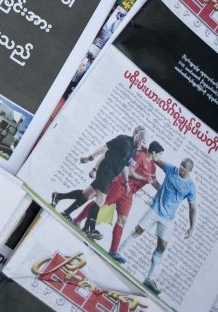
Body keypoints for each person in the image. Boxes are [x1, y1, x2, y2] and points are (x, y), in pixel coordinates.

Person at [114, 157, 197, 295]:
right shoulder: (171, 169)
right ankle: (118, 253)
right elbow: (157, 160)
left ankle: (149, 279)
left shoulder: (191, 187)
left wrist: (192, 227)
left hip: (168, 219)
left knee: (162, 247)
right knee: (139, 230)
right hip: (154, 209)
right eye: (181, 164)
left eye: (184, 166)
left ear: (190, 170)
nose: (181, 167)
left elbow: (192, 208)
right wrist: (149, 155)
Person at [72, 141, 165, 261]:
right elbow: (130, 171)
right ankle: (77, 220)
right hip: (120, 185)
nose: (160, 157)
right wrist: (144, 178)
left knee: (122, 219)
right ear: (153, 152)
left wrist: (165, 191)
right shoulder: (140, 155)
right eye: (160, 154)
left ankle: (113, 251)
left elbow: (154, 182)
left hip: (129, 194)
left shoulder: (152, 167)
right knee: (100, 204)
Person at [52, 126, 147, 234]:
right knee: (101, 200)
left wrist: (126, 182)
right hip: (105, 169)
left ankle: (59, 199)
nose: (142, 145)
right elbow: (104, 148)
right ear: (137, 136)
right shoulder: (123, 140)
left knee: (86, 194)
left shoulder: (134, 150)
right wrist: (90, 158)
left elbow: (125, 166)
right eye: (142, 142)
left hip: (111, 175)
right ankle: (91, 230)